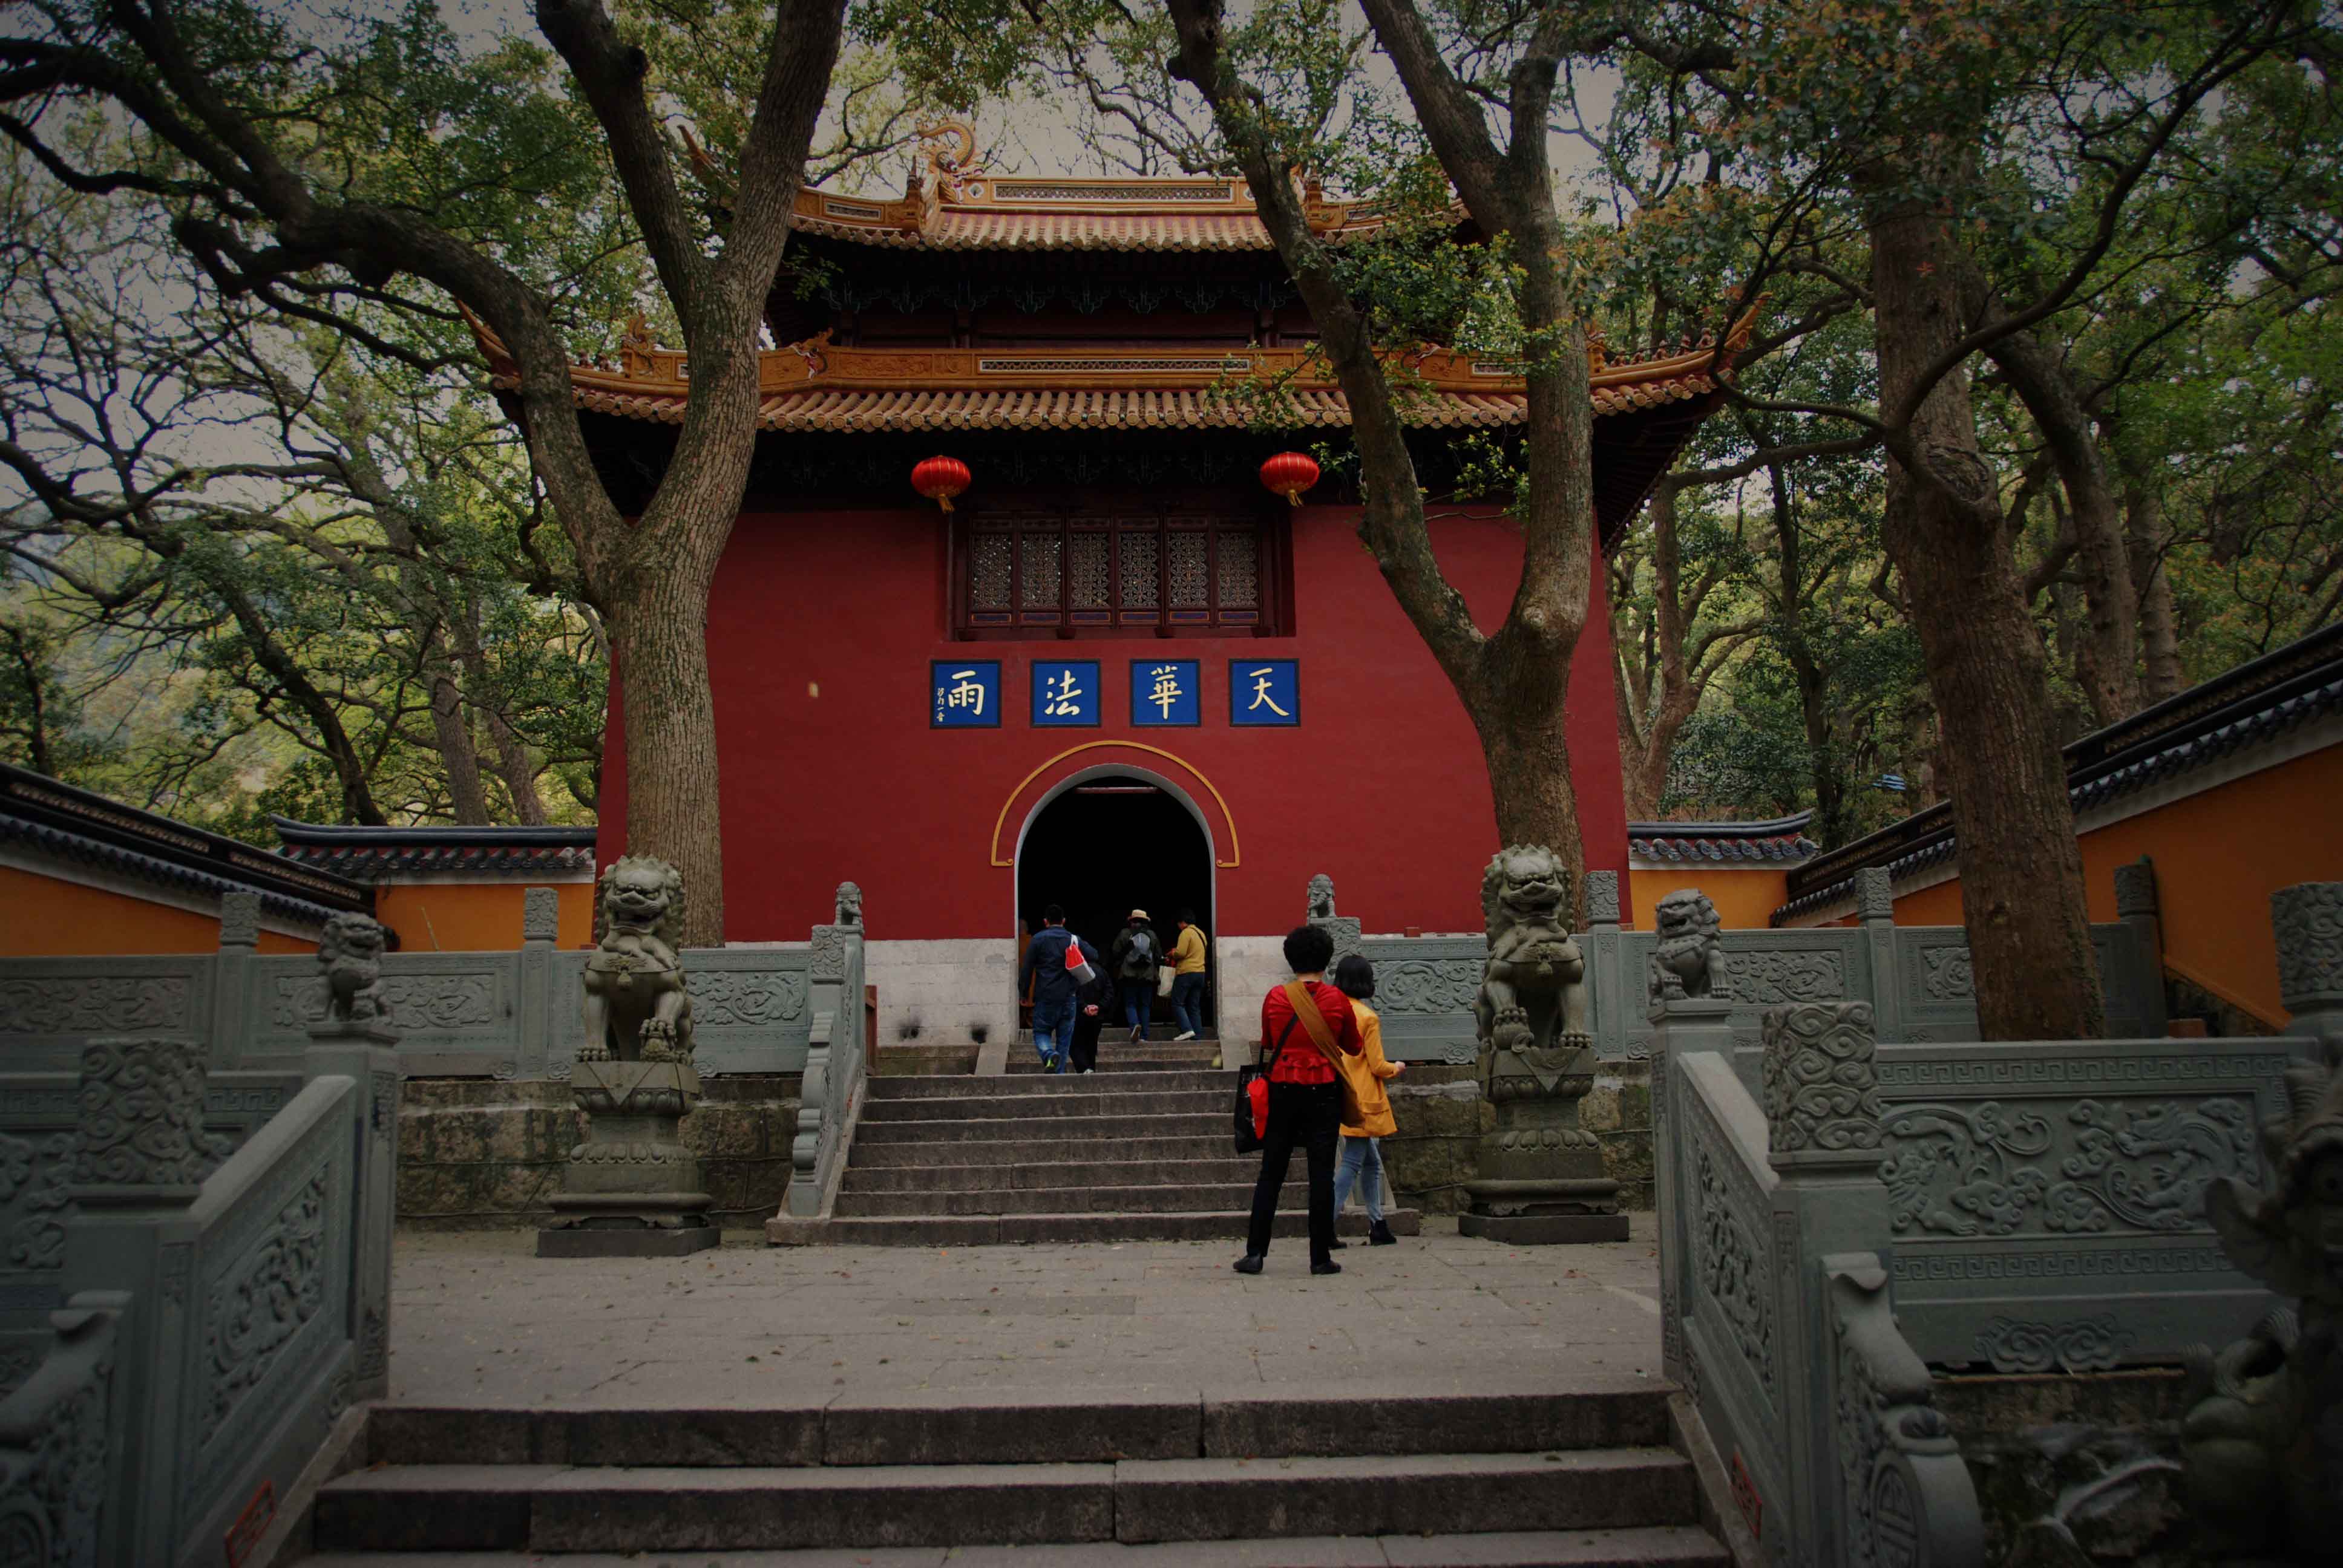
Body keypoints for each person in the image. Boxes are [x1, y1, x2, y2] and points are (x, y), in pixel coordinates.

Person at [1234, 924, 1362, 1277]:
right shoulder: (1337, 1000)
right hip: (1324, 1091)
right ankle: (1320, 1257)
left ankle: (1255, 1253)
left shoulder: (1276, 997)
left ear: (1290, 959)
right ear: (1326, 959)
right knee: (1321, 1174)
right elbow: (1353, 1046)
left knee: (1271, 1173)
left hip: (1283, 1089)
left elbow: (1270, 1040)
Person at [1326, 953, 1404, 1249]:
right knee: (1353, 1162)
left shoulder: (1331, 1011)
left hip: (1338, 1093)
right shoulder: (1368, 1017)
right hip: (1364, 1099)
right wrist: (1397, 1068)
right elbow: (1377, 1065)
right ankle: (1325, 1223)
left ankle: (1378, 1223)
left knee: (1371, 1163)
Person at [1017, 905, 1101, 1074]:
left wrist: (1024, 993)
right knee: (1064, 1040)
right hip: (1069, 998)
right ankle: (1059, 1073)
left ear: (1045, 922)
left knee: (1041, 1032)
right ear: (1064, 921)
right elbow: (1094, 955)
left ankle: (1049, 1054)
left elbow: (1027, 969)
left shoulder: (1038, 940)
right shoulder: (1072, 939)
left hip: (1045, 996)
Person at [1110, 908, 1160, 1044]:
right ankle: (1144, 1036)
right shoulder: (1152, 935)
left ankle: (1134, 1027)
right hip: (1147, 977)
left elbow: (1115, 952)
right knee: (1145, 1005)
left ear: (1131, 921)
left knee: (1130, 1004)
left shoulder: (1125, 934)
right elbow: (1157, 955)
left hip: (1129, 975)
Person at [1067, 953, 1116, 1074]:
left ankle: (1084, 1068)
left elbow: (1073, 993)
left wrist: (1084, 1007)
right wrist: (1098, 1007)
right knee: (1091, 1044)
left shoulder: (1077, 972)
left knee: (1075, 1044)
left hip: (1080, 1015)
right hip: (1097, 1016)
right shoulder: (1103, 972)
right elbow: (1109, 993)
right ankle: (1091, 1069)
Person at [1168, 909, 1209, 1041]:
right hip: (1200, 973)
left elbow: (1181, 953)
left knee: (1177, 1003)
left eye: (1178, 923)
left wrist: (1173, 953)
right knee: (1194, 1006)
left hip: (1186, 973)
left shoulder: (1186, 933)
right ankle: (1198, 1035)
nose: (1178, 926)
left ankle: (1187, 1030)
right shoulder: (1201, 933)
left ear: (1182, 922)